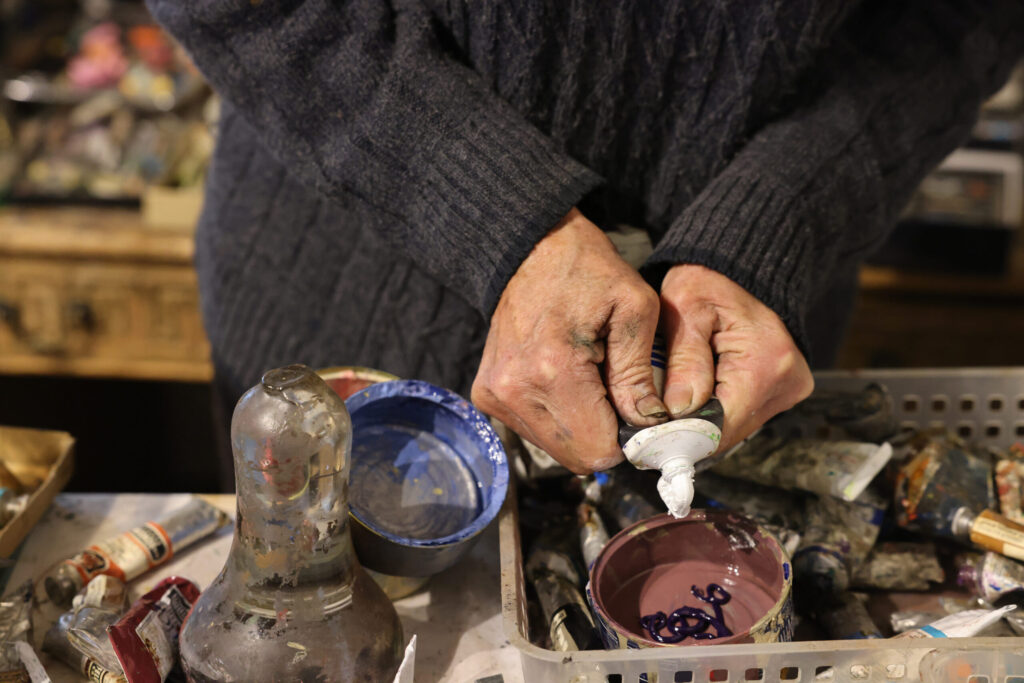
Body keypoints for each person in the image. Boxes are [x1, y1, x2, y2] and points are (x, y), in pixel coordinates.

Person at [148, 0, 1023, 488]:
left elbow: (963, 23)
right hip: (352, 314)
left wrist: (779, 215)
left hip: (744, 343)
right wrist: (491, 208)